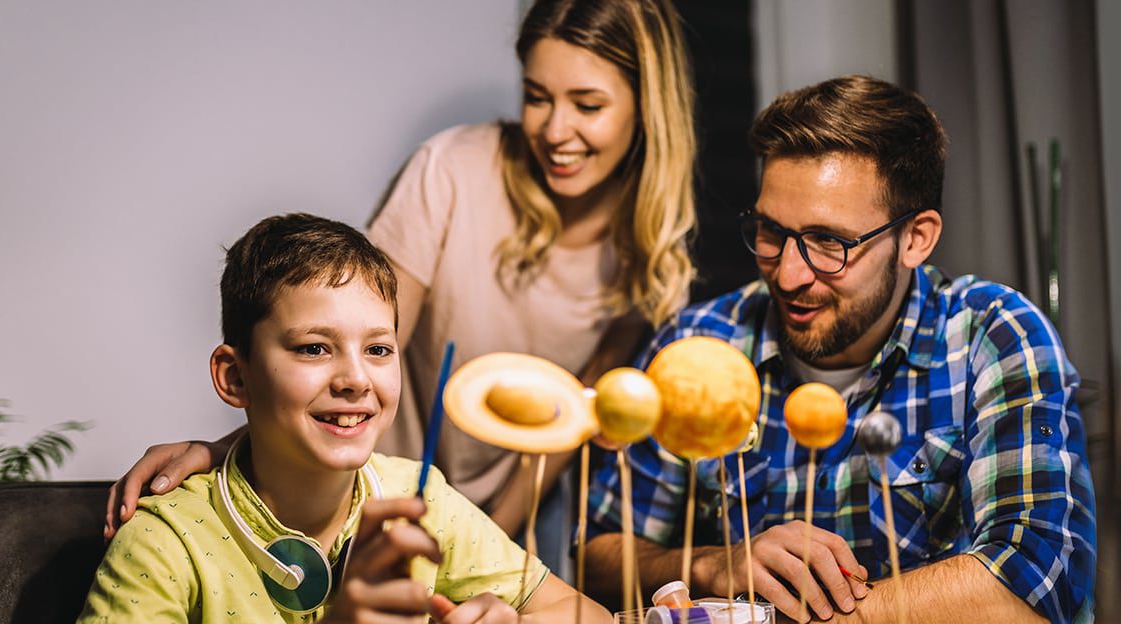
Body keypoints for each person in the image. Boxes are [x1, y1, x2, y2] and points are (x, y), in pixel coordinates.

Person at [103, 0, 698, 571]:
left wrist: (481, 540)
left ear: (647, 107)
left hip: (501, 513)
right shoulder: (451, 172)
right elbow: (347, 358)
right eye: (537, 98)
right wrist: (220, 452)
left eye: (587, 105)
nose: (555, 130)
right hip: (373, 487)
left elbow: (565, 430)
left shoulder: (651, 251)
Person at [583, 75, 1096, 624]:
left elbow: (1040, 579)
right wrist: (713, 565)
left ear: (916, 238)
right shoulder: (698, 343)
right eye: (770, 231)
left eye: (830, 242)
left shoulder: (992, 335)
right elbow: (597, 556)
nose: (788, 273)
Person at [78, 213, 611, 623]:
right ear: (235, 378)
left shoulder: (422, 502)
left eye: (379, 350)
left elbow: (591, 615)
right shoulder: (164, 542)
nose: (356, 379)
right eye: (313, 349)